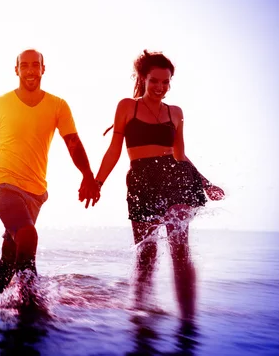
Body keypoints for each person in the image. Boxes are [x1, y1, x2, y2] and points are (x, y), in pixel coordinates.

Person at [94, 50, 225, 323]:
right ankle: (140, 311)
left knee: (179, 246)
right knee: (147, 252)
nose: (160, 88)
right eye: (155, 81)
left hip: (175, 177)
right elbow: (114, 150)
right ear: (143, 78)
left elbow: (180, 155)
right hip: (142, 181)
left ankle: (188, 318)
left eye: (166, 83)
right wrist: (97, 182)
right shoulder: (127, 106)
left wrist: (206, 182)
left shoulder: (175, 113)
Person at [0, 49, 99, 302]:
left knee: (11, 252)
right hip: (2, 184)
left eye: (36, 65)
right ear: (16, 69)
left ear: (44, 69)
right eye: (25, 65)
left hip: (35, 191)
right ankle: (30, 303)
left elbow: (73, 143)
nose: (30, 70)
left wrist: (88, 175)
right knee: (27, 234)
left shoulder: (58, 105)